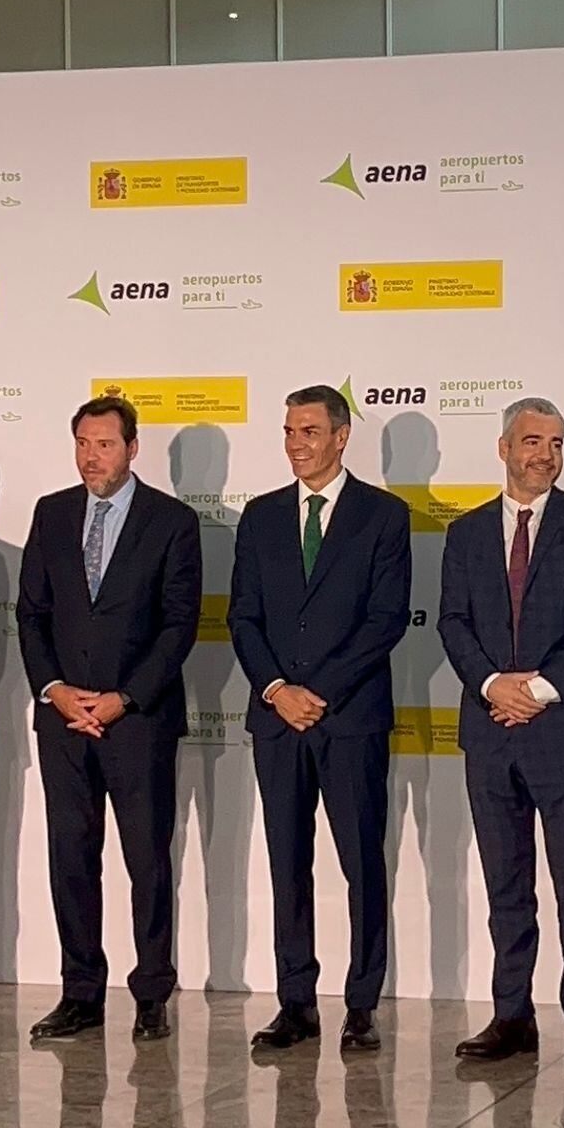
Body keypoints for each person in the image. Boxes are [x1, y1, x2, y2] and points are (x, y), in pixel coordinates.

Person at [229, 385, 412, 1054]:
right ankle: (296, 1002)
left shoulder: (384, 516)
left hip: (350, 719)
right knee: (287, 864)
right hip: (277, 721)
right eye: (287, 431)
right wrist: (279, 689)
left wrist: (318, 692)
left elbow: (385, 620)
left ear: (340, 437)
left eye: (308, 430)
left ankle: (362, 1004)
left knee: (362, 862)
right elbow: (242, 617)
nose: (295, 443)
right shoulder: (260, 517)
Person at [437, 397, 564, 1070]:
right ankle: (512, 1015)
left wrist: (536, 690)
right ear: (504, 448)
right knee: (505, 884)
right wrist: (494, 687)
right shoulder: (465, 534)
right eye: (533, 441)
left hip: (561, 727)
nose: (546, 453)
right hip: (489, 731)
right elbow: (453, 623)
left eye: (557, 443)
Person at [17, 394, 201, 1044]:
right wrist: (54, 689)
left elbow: (180, 624)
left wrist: (124, 698)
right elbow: (31, 614)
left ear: (132, 448)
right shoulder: (51, 513)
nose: (92, 456)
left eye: (105, 444)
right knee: (71, 856)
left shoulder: (172, 521)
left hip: (138, 720)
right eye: (83, 444)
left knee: (145, 859)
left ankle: (152, 992)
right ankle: (80, 993)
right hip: (63, 720)